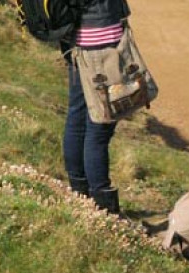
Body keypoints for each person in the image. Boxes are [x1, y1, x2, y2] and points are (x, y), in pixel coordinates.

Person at [61, 0, 130, 213]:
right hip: (100, 39)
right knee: (100, 126)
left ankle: (80, 194)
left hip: (74, 39)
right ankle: (103, 207)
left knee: (78, 114)